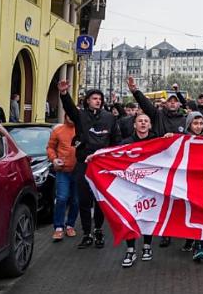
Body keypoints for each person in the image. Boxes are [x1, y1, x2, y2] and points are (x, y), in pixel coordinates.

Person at [58, 80, 120, 249]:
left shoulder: (110, 118)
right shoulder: (81, 116)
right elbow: (70, 108)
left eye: (100, 98)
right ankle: (87, 233)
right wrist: (64, 94)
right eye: (94, 98)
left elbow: (116, 141)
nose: (98, 100)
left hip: (102, 166)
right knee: (84, 200)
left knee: (100, 201)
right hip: (84, 164)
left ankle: (98, 231)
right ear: (87, 100)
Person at [127, 77, 186, 248]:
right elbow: (145, 105)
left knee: (178, 200)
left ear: (179, 105)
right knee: (162, 200)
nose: (173, 104)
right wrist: (135, 91)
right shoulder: (158, 115)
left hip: (179, 166)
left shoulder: (185, 119)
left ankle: (181, 229)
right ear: (165, 104)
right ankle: (165, 233)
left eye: (176, 101)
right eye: (170, 101)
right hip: (160, 165)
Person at [120, 114, 156, 267]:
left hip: (151, 186)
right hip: (131, 186)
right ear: (134, 125)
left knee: (148, 215)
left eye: (146, 121)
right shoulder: (126, 143)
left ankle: (147, 247)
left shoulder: (157, 142)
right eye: (140, 121)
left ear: (150, 125)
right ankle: (130, 249)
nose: (143, 123)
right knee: (130, 216)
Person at [179, 112, 203, 262]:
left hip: (202, 183)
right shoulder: (180, 140)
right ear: (189, 125)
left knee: (198, 213)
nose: (198, 127)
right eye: (195, 124)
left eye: (201, 124)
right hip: (185, 182)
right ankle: (191, 239)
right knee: (186, 212)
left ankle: (199, 245)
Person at [46, 114, 78, 242]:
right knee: (61, 198)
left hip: (78, 171)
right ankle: (58, 227)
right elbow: (50, 148)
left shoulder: (82, 129)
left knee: (76, 201)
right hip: (63, 171)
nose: (71, 116)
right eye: (69, 113)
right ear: (65, 116)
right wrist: (54, 159)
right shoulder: (58, 130)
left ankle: (70, 225)